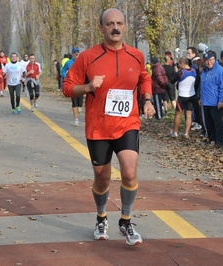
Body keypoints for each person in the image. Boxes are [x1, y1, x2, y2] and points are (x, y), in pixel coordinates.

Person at [62, 8, 154, 246]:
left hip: (127, 123)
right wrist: (88, 87)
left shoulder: (136, 55)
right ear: (101, 28)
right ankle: (101, 217)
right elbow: (67, 87)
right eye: (110, 23)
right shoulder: (87, 57)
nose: (115, 27)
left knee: (130, 173)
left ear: (125, 27)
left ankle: (126, 220)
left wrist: (147, 99)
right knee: (102, 180)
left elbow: (144, 77)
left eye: (119, 23)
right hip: (98, 128)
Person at [199, 51, 223, 147]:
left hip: (215, 102)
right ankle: (212, 139)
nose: (209, 62)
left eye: (210, 60)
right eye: (206, 60)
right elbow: (202, 86)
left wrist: (221, 100)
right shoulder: (204, 71)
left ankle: (220, 141)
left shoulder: (219, 70)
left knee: (218, 122)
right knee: (208, 122)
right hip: (205, 101)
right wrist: (201, 98)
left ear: (214, 59)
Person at [170, 57, 196, 138]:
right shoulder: (194, 71)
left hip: (182, 97)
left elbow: (171, 81)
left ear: (182, 63)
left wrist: (176, 71)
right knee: (189, 115)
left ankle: (175, 132)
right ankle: (186, 133)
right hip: (191, 96)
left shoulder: (181, 72)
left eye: (179, 63)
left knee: (178, 114)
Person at [62, 47, 83, 126]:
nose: (76, 53)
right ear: (72, 54)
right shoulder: (68, 62)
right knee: (74, 103)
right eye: (75, 52)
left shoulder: (82, 62)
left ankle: (80, 106)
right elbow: (63, 70)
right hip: (72, 84)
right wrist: (66, 77)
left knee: (80, 103)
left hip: (80, 85)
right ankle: (76, 120)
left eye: (77, 52)